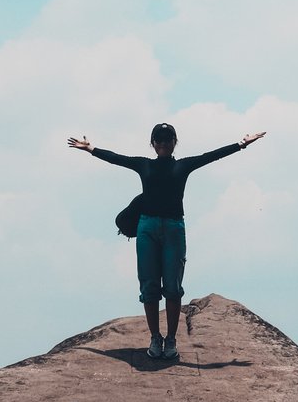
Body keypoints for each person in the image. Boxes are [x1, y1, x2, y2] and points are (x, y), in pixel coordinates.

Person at [68, 123, 266, 360]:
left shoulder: (183, 165)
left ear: (174, 143)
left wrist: (241, 144)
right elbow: (116, 159)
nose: (163, 144)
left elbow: (211, 156)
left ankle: (171, 340)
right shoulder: (144, 165)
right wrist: (91, 148)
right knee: (149, 286)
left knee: (172, 287)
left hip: (173, 228)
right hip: (147, 228)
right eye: (158, 140)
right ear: (153, 143)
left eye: (167, 140)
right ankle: (155, 337)